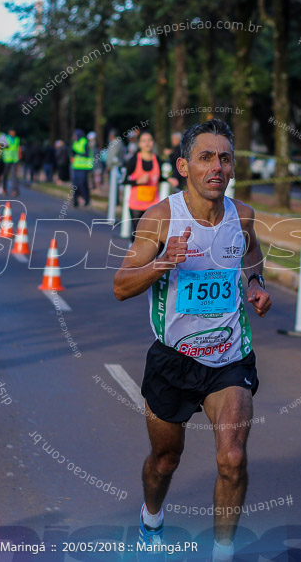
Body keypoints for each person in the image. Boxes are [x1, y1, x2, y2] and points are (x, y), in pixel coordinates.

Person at [113, 119, 271, 561]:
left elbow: (251, 252)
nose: (216, 166)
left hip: (230, 358)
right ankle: (152, 517)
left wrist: (255, 282)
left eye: (224, 157)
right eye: (206, 157)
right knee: (165, 459)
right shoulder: (161, 218)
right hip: (174, 359)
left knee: (232, 457)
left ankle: (223, 551)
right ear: (184, 166)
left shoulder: (242, 215)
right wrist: (163, 262)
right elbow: (121, 285)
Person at [121, 131, 162, 241]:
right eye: (144, 141)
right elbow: (124, 180)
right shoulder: (134, 160)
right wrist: (137, 181)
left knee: (150, 235)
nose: (147, 143)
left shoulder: (157, 159)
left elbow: (161, 177)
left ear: (153, 143)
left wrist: (170, 179)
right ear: (139, 144)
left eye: (150, 140)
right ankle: (133, 254)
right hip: (136, 204)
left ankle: (148, 257)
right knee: (138, 233)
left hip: (153, 203)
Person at [71, 130, 93, 207]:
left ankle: (86, 200)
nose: (74, 137)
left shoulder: (84, 142)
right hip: (76, 167)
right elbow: (72, 153)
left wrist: (78, 153)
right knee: (75, 185)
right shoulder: (75, 143)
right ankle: (75, 201)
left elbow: (86, 154)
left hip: (84, 167)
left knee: (82, 184)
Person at [2, 129, 20, 196]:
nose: (13, 133)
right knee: (5, 175)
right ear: (9, 132)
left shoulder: (17, 139)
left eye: (14, 132)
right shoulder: (5, 138)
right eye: (12, 132)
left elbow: (18, 149)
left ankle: (15, 190)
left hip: (14, 160)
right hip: (6, 159)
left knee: (14, 175)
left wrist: (19, 161)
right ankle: (4, 189)